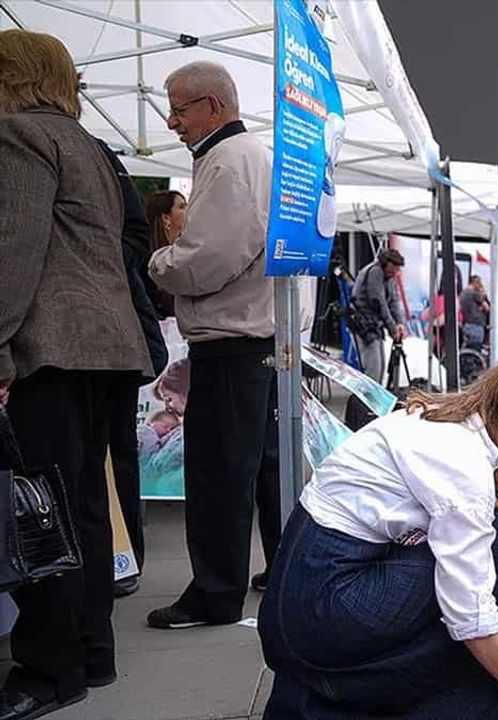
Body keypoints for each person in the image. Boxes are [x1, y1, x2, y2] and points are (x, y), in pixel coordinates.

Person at [259, 344, 498, 719]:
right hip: (320, 609)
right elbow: (471, 617)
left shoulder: (442, 421)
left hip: (303, 594)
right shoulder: (463, 461)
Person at [0, 29, 152, 719]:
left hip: (52, 351)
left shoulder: (19, 135)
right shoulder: (88, 144)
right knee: (84, 506)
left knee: (39, 511)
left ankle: (50, 669)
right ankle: (92, 653)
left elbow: (12, 254)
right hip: (107, 350)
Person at [147, 60, 281, 629]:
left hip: (232, 339)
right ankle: (281, 570)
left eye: (179, 109)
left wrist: (160, 262)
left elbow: (206, 261)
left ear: (213, 106)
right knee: (264, 468)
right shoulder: (251, 156)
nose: (172, 121)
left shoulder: (228, 161)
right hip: (260, 335)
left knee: (219, 473)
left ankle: (215, 593)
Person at [97, 140, 170, 599]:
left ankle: (121, 558)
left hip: (107, 338)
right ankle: (118, 560)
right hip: (113, 336)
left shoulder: (99, 156)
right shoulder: (101, 156)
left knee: (111, 452)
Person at [351, 248, 407, 383]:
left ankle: (374, 394)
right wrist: (393, 328)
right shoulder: (375, 272)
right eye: (391, 270)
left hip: (375, 325)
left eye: (396, 270)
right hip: (365, 325)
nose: (393, 273)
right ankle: (368, 396)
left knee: (380, 367)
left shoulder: (389, 277)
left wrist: (400, 323)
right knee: (373, 368)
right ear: (384, 264)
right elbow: (379, 302)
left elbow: (393, 301)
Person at [143, 190, 187, 319]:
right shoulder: (147, 260)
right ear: (166, 218)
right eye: (182, 207)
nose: (188, 210)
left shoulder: (182, 252)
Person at [461, 274, 491, 350]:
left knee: (469, 349)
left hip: (467, 324)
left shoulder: (463, 293)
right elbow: (487, 308)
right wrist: (483, 292)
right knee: (476, 349)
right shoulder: (474, 294)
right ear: (475, 282)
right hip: (476, 326)